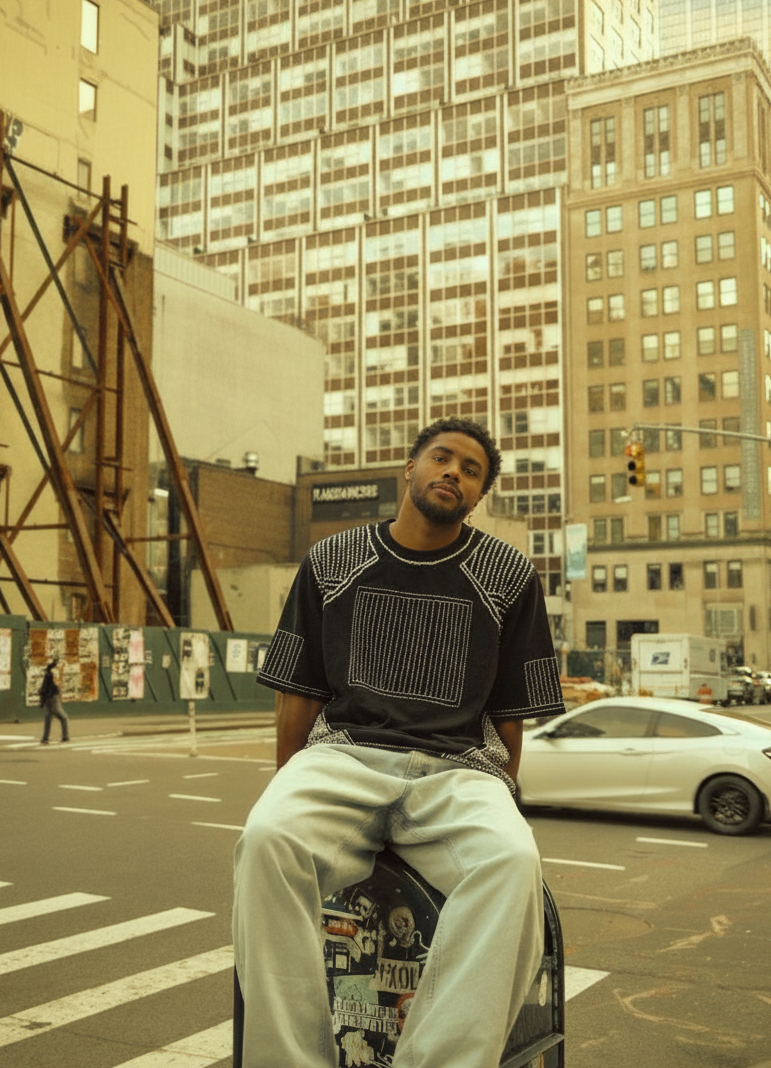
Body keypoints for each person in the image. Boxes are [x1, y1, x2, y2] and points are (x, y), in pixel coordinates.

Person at [233, 416, 565, 1068]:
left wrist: (502, 792)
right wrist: (289, 787)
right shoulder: (332, 560)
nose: (454, 473)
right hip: (343, 756)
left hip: (459, 771)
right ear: (409, 469)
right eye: (442, 458)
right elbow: (298, 692)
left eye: (471, 471)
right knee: (267, 839)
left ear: (479, 495)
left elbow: (510, 717)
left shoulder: (510, 575)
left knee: (512, 863)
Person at [39, 659, 69, 745]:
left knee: (48, 718)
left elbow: (44, 689)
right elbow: (56, 686)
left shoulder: (48, 675)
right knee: (63, 717)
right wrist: (57, 693)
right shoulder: (53, 674)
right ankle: (65, 737)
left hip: (47, 698)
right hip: (53, 698)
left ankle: (45, 738)